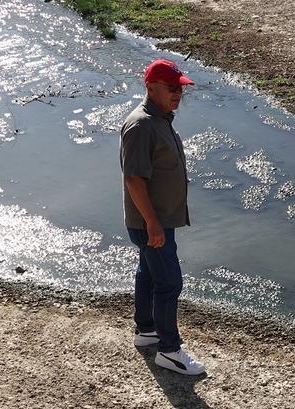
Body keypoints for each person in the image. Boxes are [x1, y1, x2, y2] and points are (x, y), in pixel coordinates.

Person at [119, 58, 206, 376]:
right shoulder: (142, 125)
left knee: (148, 273)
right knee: (169, 282)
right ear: (150, 87)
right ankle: (169, 351)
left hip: (156, 221)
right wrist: (152, 223)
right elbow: (134, 179)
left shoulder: (159, 119)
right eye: (171, 88)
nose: (177, 94)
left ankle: (146, 330)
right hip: (151, 223)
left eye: (180, 88)